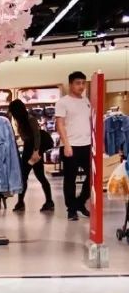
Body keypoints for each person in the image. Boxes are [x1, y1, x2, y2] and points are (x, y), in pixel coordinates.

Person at [55, 71, 93, 221]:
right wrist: (66, 144)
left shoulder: (86, 101)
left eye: (83, 83)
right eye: (78, 83)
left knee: (92, 176)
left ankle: (80, 202)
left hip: (87, 145)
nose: (81, 86)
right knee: (70, 179)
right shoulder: (63, 102)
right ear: (70, 84)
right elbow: (60, 124)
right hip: (71, 145)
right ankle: (71, 209)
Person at [7, 99, 54, 213]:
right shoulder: (21, 120)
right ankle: (22, 202)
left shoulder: (30, 119)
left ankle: (47, 201)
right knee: (27, 177)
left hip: (33, 149)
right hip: (28, 148)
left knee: (38, 176)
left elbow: (37, 136)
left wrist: (36, 151)